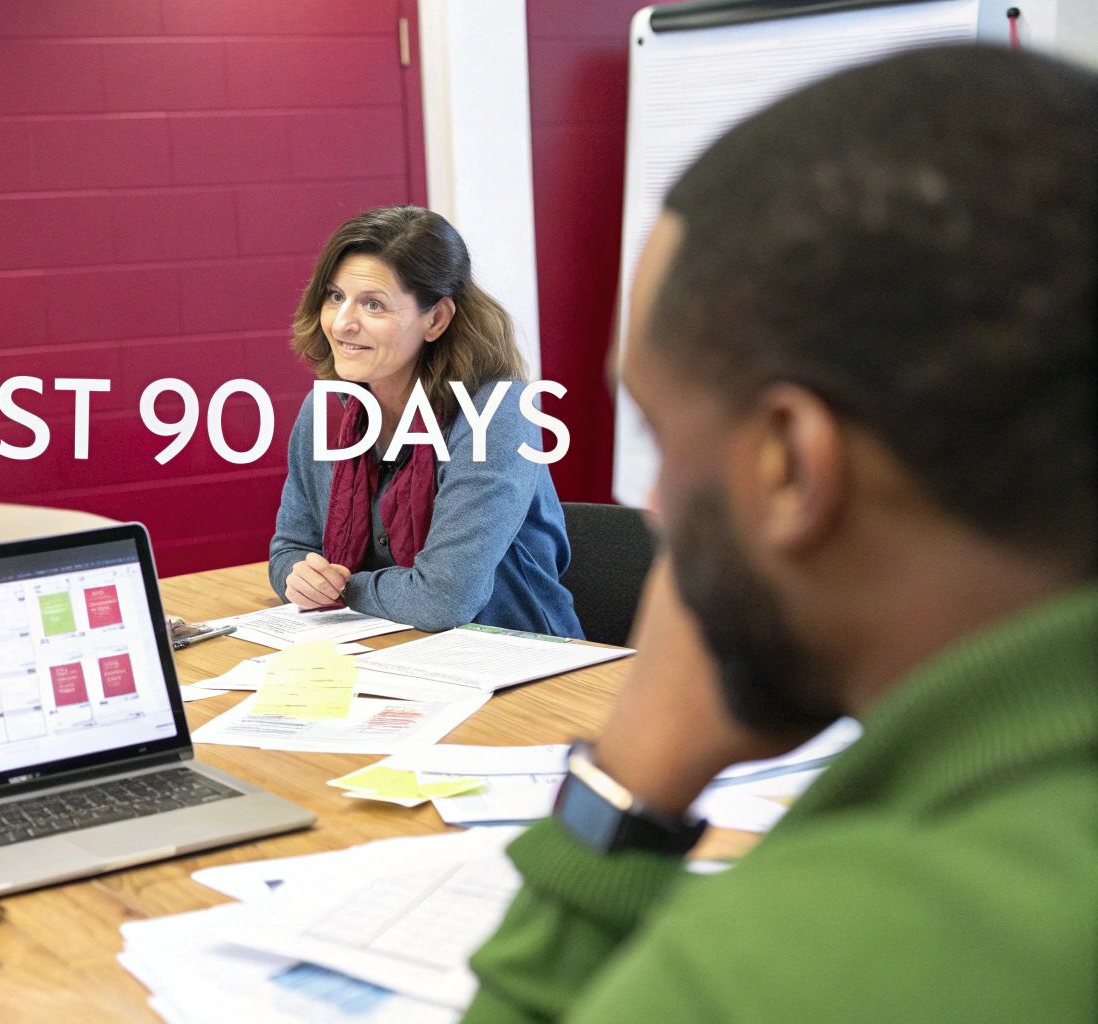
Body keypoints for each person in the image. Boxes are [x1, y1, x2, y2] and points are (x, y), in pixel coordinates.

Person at [463, 46, 1095, 1022]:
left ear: (789, 465)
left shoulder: (840, 948)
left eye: (664, 439)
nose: (658, 506)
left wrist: (628, 775)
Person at [269, 206, 582, 635]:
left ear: (435, 319)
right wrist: (300, 580)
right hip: (389, 651)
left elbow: (443, 600)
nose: (342, 323)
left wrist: (342, 591)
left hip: (520, 662)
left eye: (373, 304)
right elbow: (289, 549)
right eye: (335, 296)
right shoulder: (326, 409)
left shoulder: (496, 413)